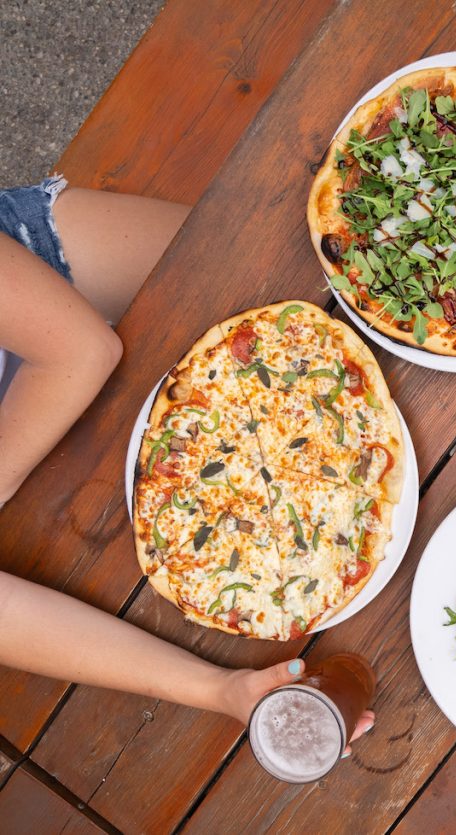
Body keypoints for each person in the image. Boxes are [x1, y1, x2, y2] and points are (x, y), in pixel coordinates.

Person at [0, 180, 372, 748]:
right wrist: (221, 691)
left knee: (311, 257)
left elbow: (83, 350)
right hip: (92, 468)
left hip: (36, 281)